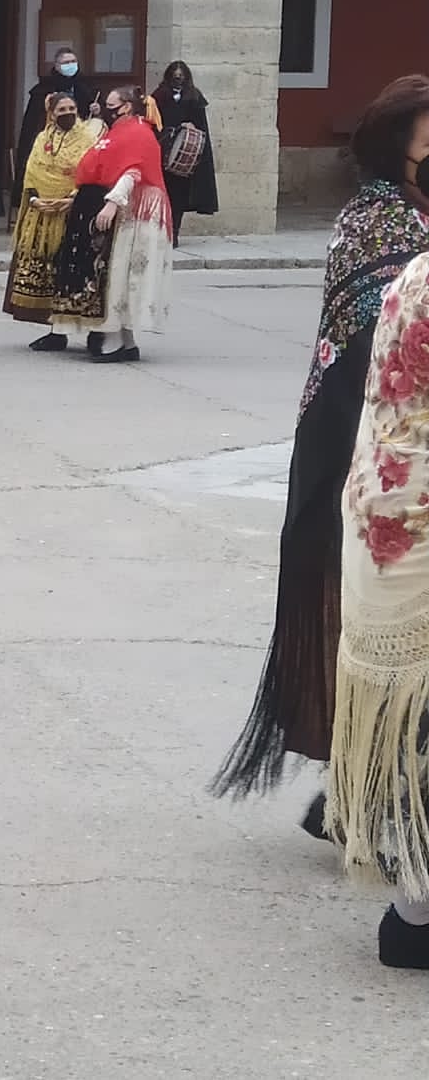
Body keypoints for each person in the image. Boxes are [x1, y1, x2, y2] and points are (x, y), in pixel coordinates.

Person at [213, 75, 429, 840]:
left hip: (384, 437)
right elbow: (381, 347)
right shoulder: (380, 221)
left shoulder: (404, 214)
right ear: (400, 140)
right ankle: (362, 789)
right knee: (375, 622)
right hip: (359, 439)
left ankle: (356, 789)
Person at [325, 248, 429, 967]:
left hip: (388, 515)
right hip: (413, 522)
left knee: (414, 727)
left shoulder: (415, 271)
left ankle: (413, 906)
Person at [49, 86, 174, 363]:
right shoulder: (122, 130)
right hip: (130, 210)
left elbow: (133, 170)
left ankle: (115, 341)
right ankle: (126, 342)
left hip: (139, 212)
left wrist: (112, 203)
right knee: (121, 275)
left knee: (122, 276)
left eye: (111, 104)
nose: (107, 109)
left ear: (126, 106)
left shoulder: (137, 132)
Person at [7, 91, 102, 350]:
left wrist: (72, 197)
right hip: (42, 213)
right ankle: (55, 331)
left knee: (74, 272)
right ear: (51, 114)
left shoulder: (87, 138)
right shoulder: (42, 138)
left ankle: (93, 331)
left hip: (74, 212)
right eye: (61, 110)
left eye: (71, 108)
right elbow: (32, 171)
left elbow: (90, 172)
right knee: (48, 273)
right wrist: (35, 199)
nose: (67, 113)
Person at [13, 46, 97, 196]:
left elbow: (92, 109)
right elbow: (33, 122)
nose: (70, 65)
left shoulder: (85, 86)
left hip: (78, 139)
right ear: (57, 66)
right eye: (66, 63)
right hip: (50, 140)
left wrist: (96, 109)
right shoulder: (43, 89)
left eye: (73, 61)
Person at [154, 60, 219, 241]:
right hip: (164, 151)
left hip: (183, 159)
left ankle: (174, 233)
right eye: (175, 76)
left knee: (179, 197)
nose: (178, 79)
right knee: (164, 194)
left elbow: (201, 125)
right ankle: (161, 231)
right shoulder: (159, 96)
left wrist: (191, 127)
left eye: (181, 76)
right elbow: (155, 123)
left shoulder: (194, 96)